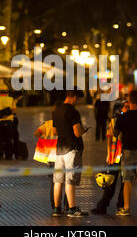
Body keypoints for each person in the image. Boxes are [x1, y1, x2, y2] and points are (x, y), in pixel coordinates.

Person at [52, 88, 89, 217]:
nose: (77, 102)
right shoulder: (73, 112)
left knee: (58, 181)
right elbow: (77, 133)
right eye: (77, 99)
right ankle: (72, 209)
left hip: (59, 149)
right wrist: (83, 130)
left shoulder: (56, 110)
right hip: (72, 149)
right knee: (70, 180)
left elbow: (54, 132)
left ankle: (56, 209)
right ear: (73, 97)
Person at [91, 101, 129, 215]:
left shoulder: (133, 120)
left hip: (127, 157)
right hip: (115, 156)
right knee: (109, 182)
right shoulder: (114, 121)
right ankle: (102, 206)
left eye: (129, 106)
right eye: (126, 106)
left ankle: (121, 206)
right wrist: (108, 154)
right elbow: (109, 137)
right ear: (121, 109)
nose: (128, 108)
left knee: (124, 183)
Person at [33, 101, 68, 212]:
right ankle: (68, 206)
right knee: (68, 182)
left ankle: (54, 206)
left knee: (54, 183)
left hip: (52, 159)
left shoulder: (47, 124)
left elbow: (36, 133)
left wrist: (45, 142)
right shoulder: (66, 123)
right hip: (64, 155)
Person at [0, 86, 16, 160]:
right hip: (9, 121)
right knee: (9, 139)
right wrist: (6, 115)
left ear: (0, 92)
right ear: (7, 92)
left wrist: (0, 115)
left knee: (0, 139)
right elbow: (14, 110)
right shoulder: (11, 99)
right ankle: (9, 156)